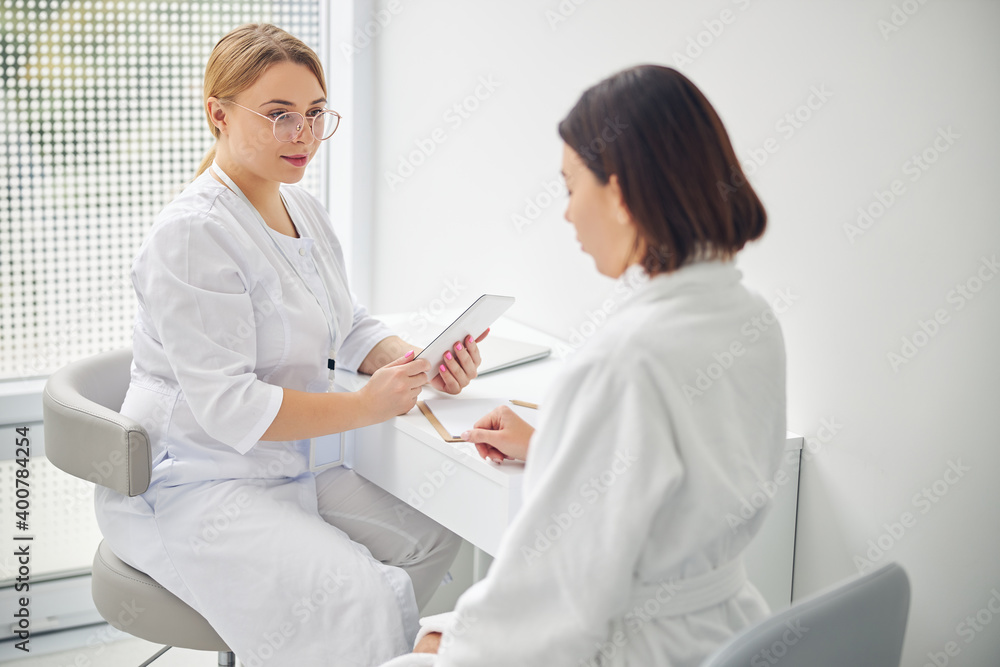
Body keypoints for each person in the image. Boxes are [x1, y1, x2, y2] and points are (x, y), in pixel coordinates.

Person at [94, 24, 485, 666]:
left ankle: (351, 645)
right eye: (278, 116)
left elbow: (347, 321)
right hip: (198, 484)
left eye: (313, 115)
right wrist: (369, 407)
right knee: (356, 592)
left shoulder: (302, 210)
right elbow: (231, 407)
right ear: (217, 114)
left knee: (433, 528)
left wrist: (416, 360)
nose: (301, 135)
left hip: (289, 465)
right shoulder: (192, 236)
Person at [381, 65, 787, 666]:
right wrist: (557, 447)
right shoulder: (752, 319)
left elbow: (555, 595)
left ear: (620, 196)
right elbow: (668, 491)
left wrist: (452, 643)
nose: (567, 214)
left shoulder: (625, 358)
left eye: (571, 187)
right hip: (725, 633)